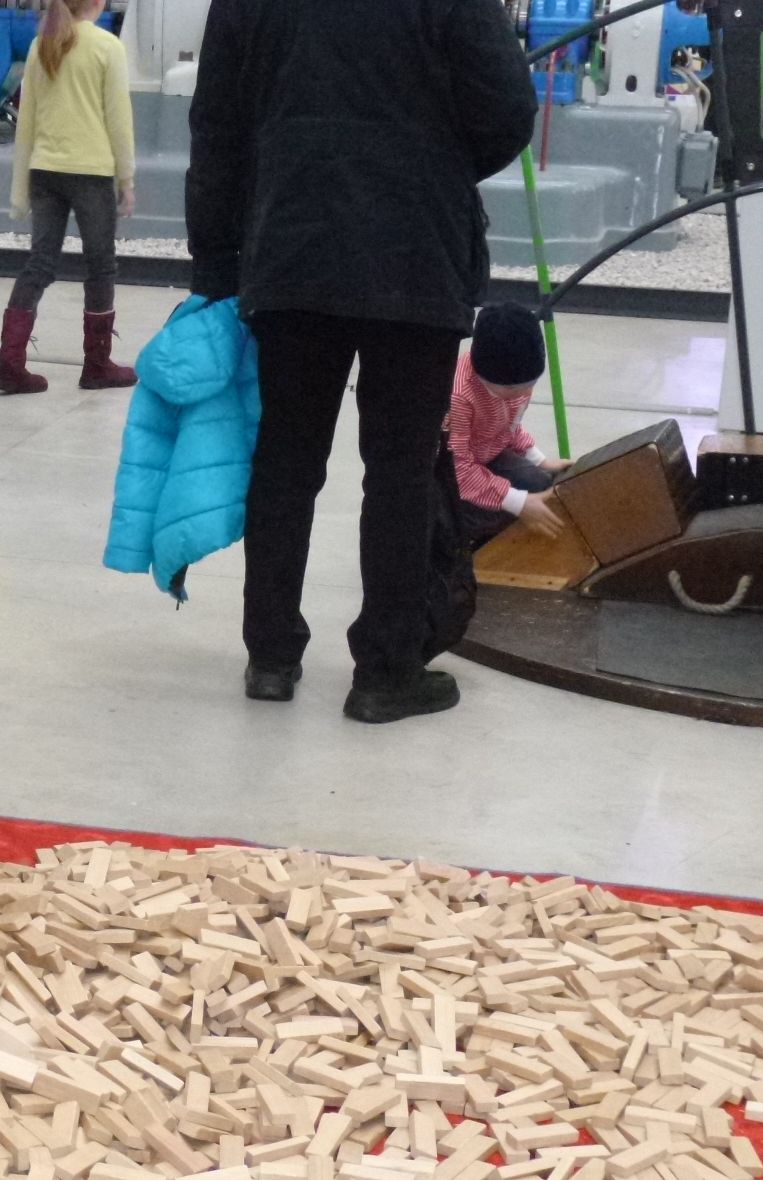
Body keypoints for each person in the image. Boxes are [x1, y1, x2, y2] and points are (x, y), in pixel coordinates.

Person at [186, 0, 537, 723]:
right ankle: (386, 670)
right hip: (415, 249)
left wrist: (216, 262)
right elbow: (507, 108)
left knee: (285, 460)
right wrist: (434, 160)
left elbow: (217, 123)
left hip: (291, 241)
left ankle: (271, 657)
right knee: (401, 471)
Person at [0, 0, 138, 396]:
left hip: (45, 171)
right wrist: (127, 179)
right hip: (91, 173)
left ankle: (9, 363)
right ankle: (97, 364)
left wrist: (19, 192)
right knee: (101, 266)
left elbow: (26, 123)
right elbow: (119, 119)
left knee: (40, 264)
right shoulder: (107, 47)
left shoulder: (42, 43)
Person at [448, 302, 572, 549]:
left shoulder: (515, 385)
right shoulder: (459, 397)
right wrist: (518, 503)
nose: (524, 393)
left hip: (486, 455)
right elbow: (457, 469)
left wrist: (540, 461)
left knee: (539, 485)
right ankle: (463, 542)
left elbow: (509, 427)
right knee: (504, 512)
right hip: (449, 472)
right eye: (513, 388)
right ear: (483, 375)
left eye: (531, 383)